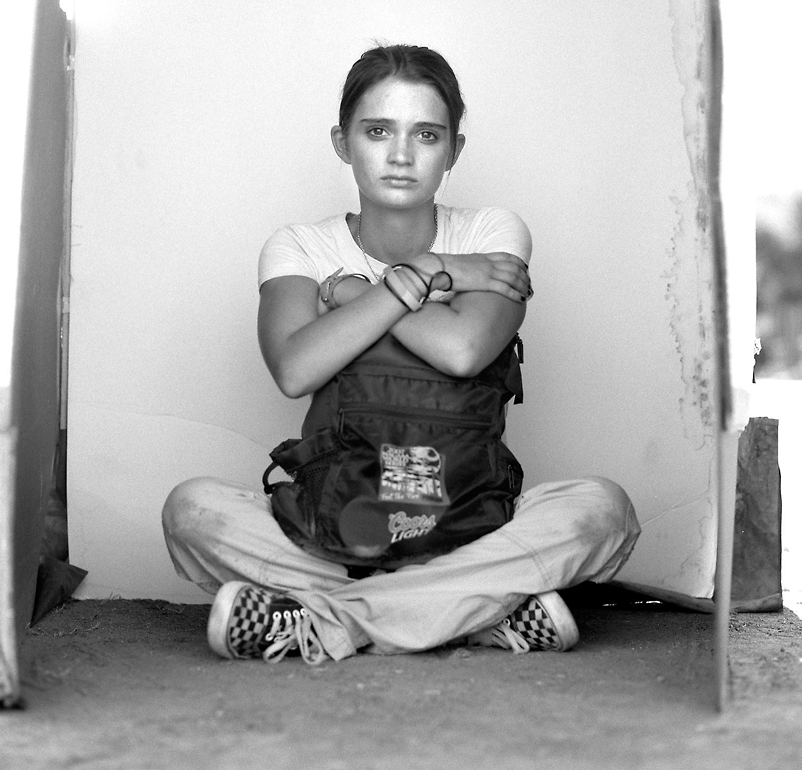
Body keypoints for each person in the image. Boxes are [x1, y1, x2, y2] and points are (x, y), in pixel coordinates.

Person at [163, 44, 640, 665]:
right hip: (330, 526)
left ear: (454, 151)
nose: (400, 155)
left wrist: (358, 293)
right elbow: (294, 367)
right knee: (192, 510)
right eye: (378, 130)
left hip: (471, 521)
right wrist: (431, 278)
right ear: (343, 141)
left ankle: (328, 623)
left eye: (427, 135)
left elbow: (465, 350)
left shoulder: (491, 234)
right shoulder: (300, 247)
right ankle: (475, 612)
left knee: (602, 511)